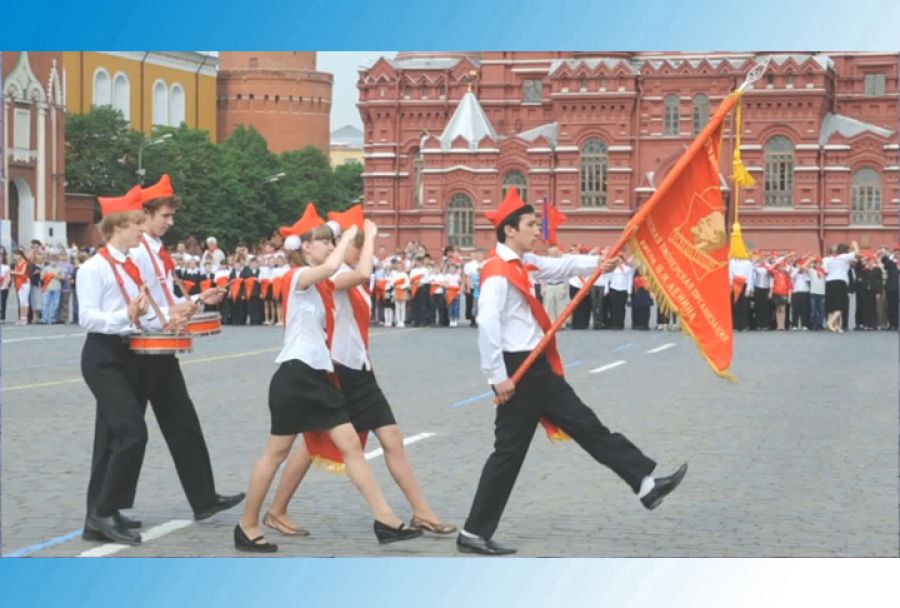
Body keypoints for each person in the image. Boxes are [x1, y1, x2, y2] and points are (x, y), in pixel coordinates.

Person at [457, 188, 687, 555]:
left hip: (537, 369)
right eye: (530, 225)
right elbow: (487, 325)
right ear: (509, 231)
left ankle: (644, 484)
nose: (537, 231)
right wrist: (497, 377)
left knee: (586, 425)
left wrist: (598, 264)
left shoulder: (522, 263)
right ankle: (473, 532)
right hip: (519, 369)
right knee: (508, 454)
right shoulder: (497, 272)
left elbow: (560, 266)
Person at [234, 204, 422, 552]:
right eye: (322, 242)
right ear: (304, 248)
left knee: (351, 446)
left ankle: (386, 520)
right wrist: (349, 235)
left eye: (329, 241)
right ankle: (247, 524)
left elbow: (360, 271)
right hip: (294, 377)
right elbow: (334, 265)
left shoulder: (320, 282)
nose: (328, 247)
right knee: (274, 455)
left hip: (316, 379)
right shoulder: (295, 278)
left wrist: (370, 238)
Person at [264, 207, 455, 540]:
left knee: (391, 438)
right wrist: (367, 236)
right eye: (355, 244)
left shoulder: (346, 275)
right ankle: (277, 509)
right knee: (312, 445)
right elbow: (362, 272)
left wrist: (364, 238)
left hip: (361, 370)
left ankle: (422, 512)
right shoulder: (333, 276)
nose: (358, 248)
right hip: (339, 372)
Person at [130, 174, 245, 523]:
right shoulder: (138, 251)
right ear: (146, 214)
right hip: (140, 349)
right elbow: (141, 301)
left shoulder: (156, 249)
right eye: (164, 215)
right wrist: (169, 316)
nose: (170, 221)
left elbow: (167, 300)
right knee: (125, 433)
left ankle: (204, 498)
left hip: (161, 347)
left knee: (184, 424)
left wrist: (196, 299)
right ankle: (105, 510)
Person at [78, 186, 157, 544]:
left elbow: (143, 311)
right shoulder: (93, 268)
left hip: (129, 353)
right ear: (118, 226)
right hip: (103, 355)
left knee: (109, 438)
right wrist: (125, 315)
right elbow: (88, 318)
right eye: (137, 223)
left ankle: (99, 515)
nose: (143, 229)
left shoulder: (132, 265)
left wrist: (177, 313)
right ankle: (103, 511)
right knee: (132, 432)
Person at [823, 242, 859, 333]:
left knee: (833, 305)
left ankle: (836, 325)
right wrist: (855, 245)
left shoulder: (826, 259)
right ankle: (830, 322)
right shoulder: (844, 257)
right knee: (841, 305)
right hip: (840, 282)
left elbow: (825, 271)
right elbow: (857, 254)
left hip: (829, 282)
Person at [11, 249, 31, 324]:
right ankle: (21, 318)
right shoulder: (16, 263)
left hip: (25, 282)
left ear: (20, 255)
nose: (15, 256)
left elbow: (22, 272)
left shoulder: (25, 262)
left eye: (16, 254)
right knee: (21, 301)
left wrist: (12, 272)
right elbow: (16, 274)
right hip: (18, 282)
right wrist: (14, 282)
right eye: (14, 255)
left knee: (25, 300)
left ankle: (25, 318)